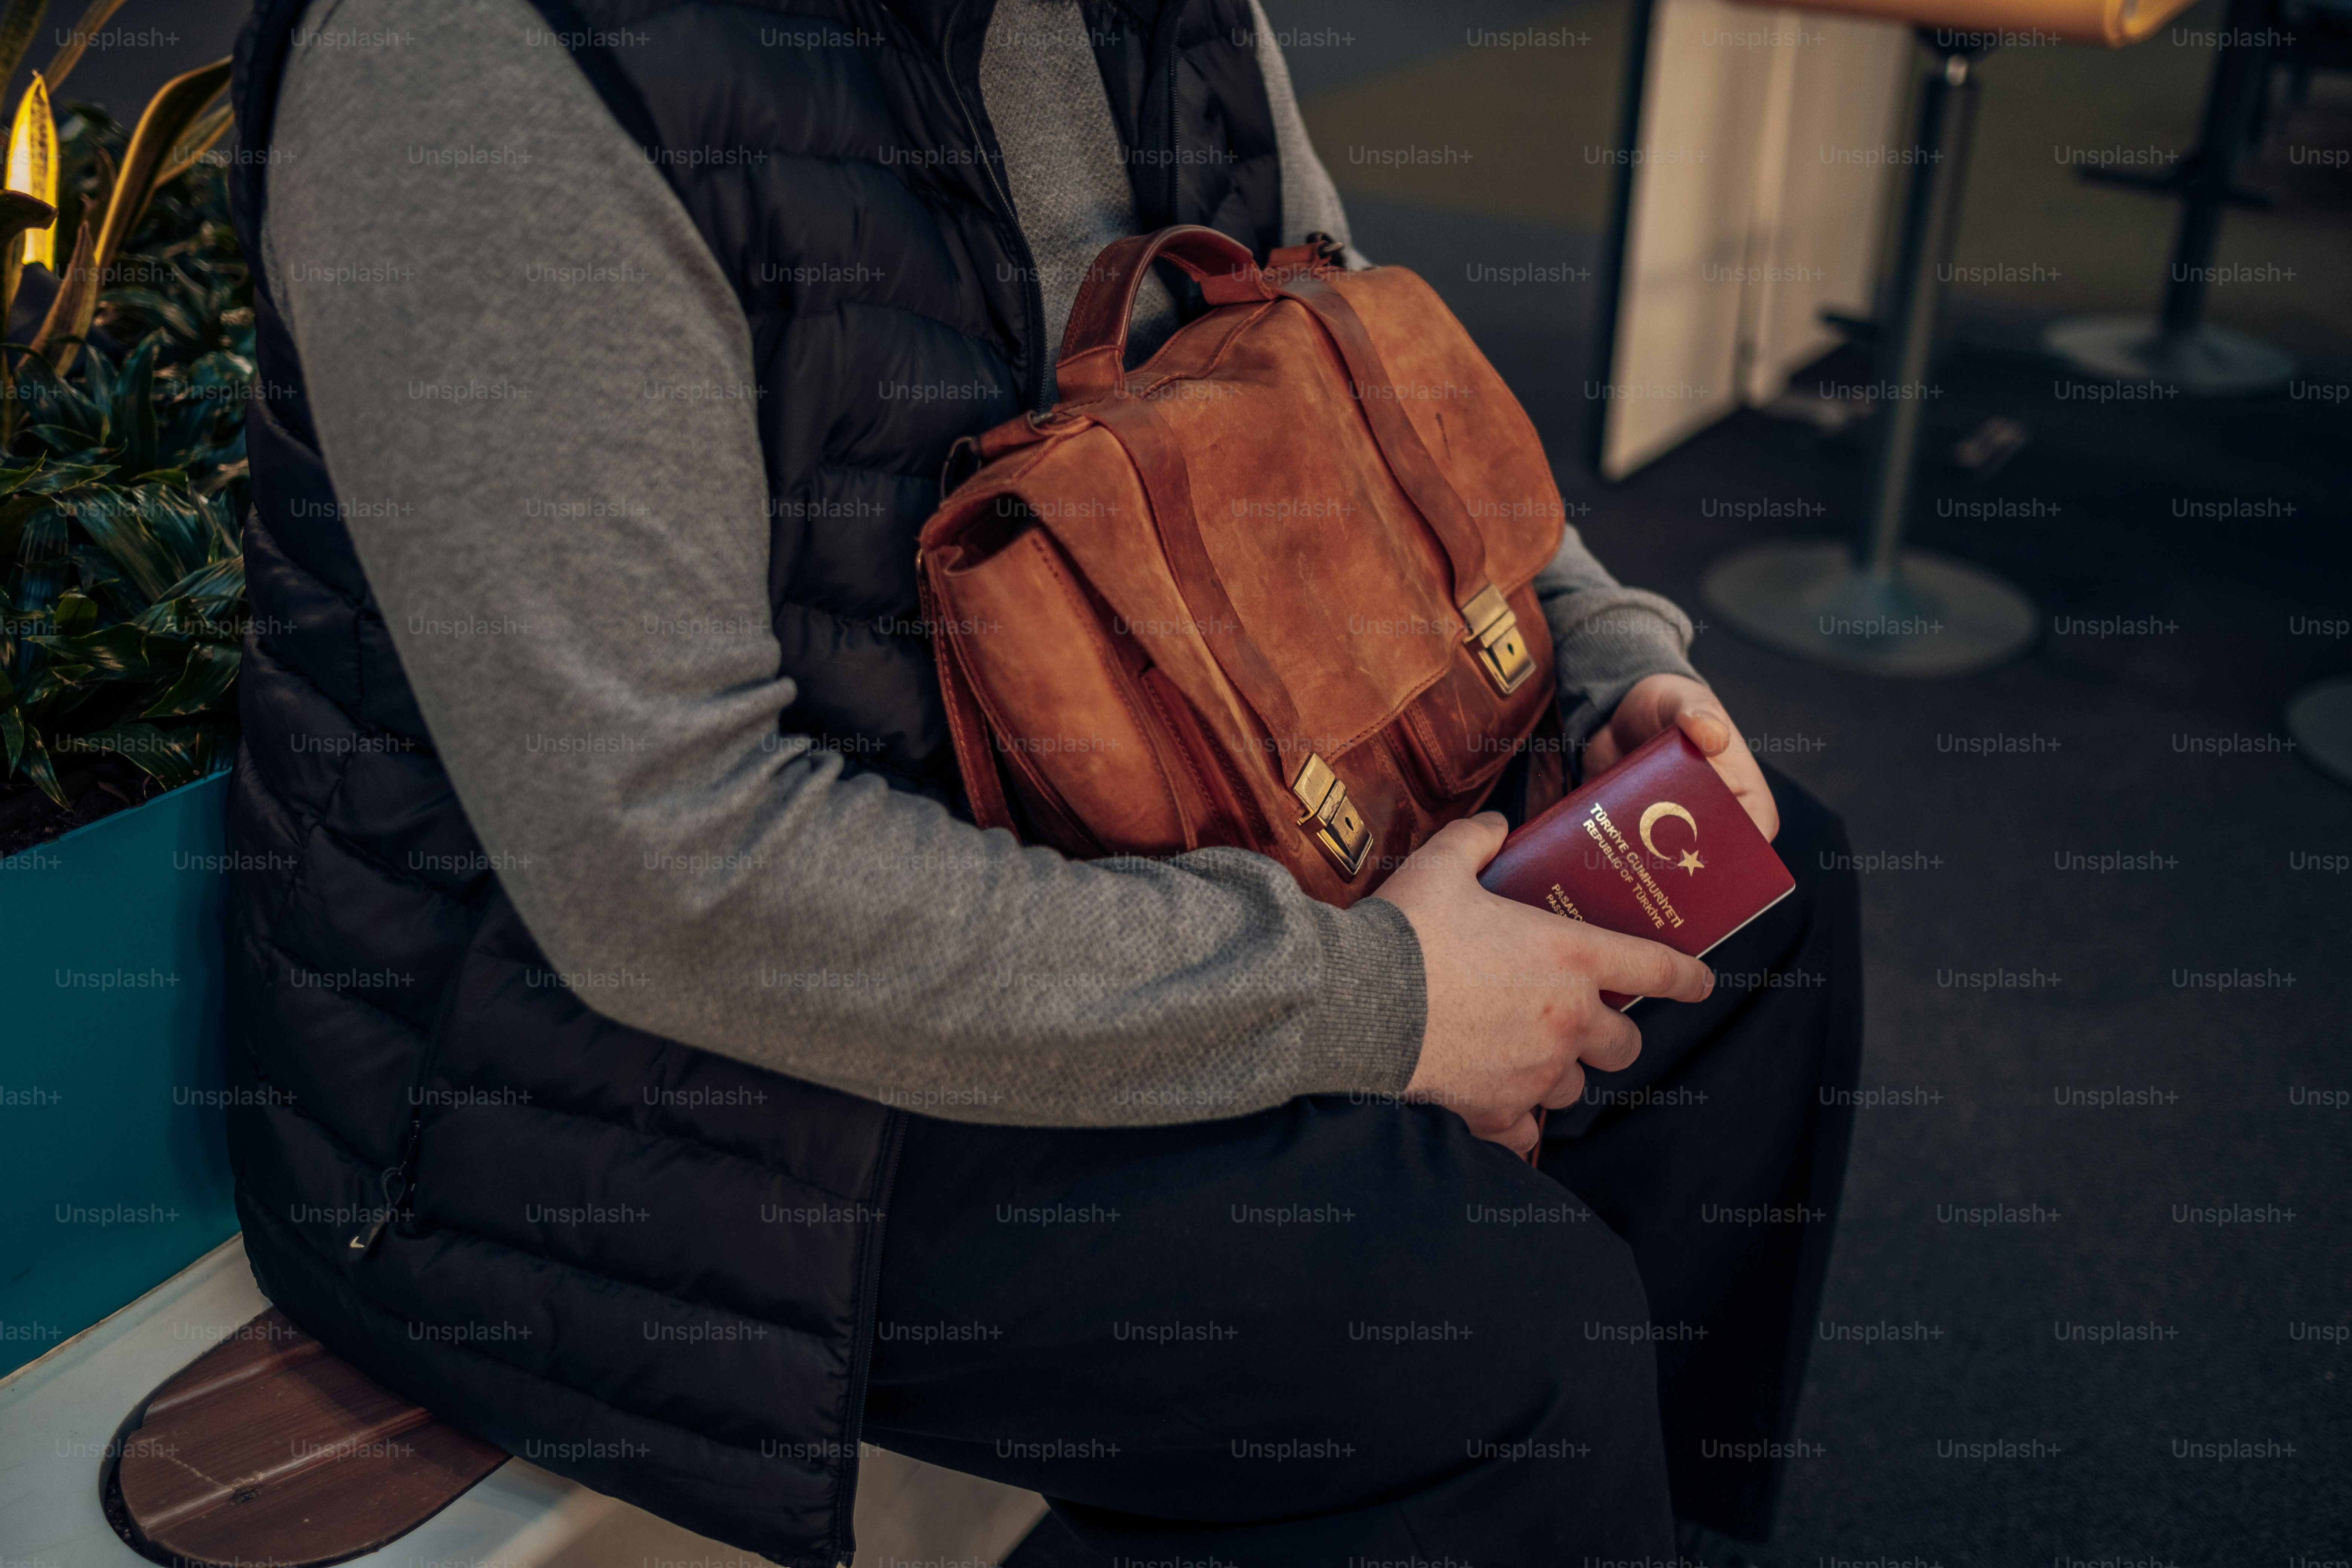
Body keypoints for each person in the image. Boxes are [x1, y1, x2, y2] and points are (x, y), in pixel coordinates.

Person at [224, 0, 1862, 1562]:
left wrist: (1595, 649)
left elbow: (1348, 357)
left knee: (1755, 891)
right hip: (628, 1066)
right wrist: (1384, 1002)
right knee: (1480, 1334)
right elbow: (674, 873)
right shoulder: (483, 66)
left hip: (1141, 809)